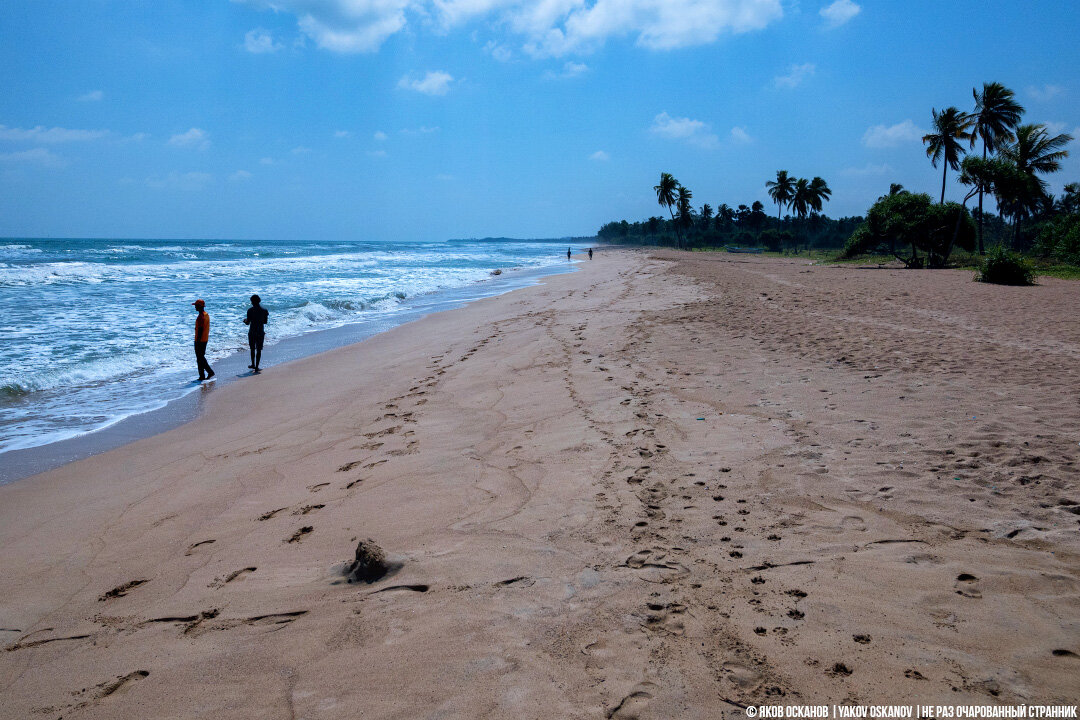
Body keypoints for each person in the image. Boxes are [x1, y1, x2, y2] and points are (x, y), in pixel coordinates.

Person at [244, 294, 269, 372]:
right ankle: (257, 366)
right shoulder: (264, 310)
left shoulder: (250, 310)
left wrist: (245, 320)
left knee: (252, 349)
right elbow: (265, 322)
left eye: (251, 301)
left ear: (252, 302)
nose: (251, 303)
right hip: (260, 331)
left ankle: (253, 364)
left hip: (252, 331)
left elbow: (247, 323)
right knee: (259, 349)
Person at [192, 299, 214, 381]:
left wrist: (197, 341)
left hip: (200, 341)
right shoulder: (206, 315)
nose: (195, 307)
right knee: (201, 358)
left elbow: (200, 329)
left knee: (200, 358)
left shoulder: (201, 317)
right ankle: (203, 375)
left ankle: (207, 373)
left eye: (196, 306)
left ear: (199, 306)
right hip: (205, 339)